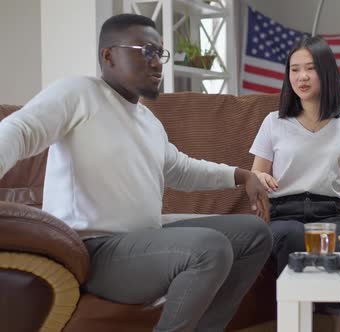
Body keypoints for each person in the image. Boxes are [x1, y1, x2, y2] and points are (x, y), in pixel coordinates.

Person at [0, 14, 272, 332]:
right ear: (108, 56)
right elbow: (19, 129)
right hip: (96, 251)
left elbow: (180, 169)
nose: (156, 62)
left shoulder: (146, 119)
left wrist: (242, 175)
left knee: (254, 234)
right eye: (145, 51)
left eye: (160, 53)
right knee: (209, 248)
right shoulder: (79, 92)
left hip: (145, 239)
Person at [249, 36, 340, 275]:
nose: (301, 77)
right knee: (292, 235)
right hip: (283, 213)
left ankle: (332, 308)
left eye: (310, 69)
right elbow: (255, 173)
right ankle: (294, 307)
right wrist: (260, 178)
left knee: (336, 237)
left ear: (326, 73)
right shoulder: (274, 122)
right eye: (295, 70)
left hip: (330, 212)